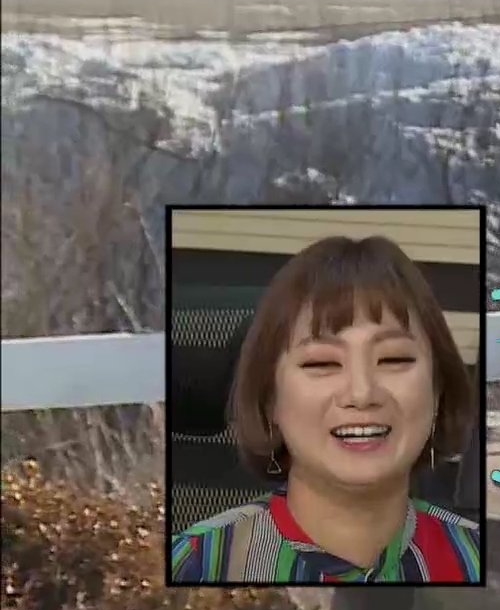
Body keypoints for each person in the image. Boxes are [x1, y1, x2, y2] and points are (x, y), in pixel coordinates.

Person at [169, 235, 480, 584]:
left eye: (394, 359)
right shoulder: (194, 564)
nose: (362, 393)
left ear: (437, 389)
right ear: (270, 399)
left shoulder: (481, 561)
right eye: (321, 363)